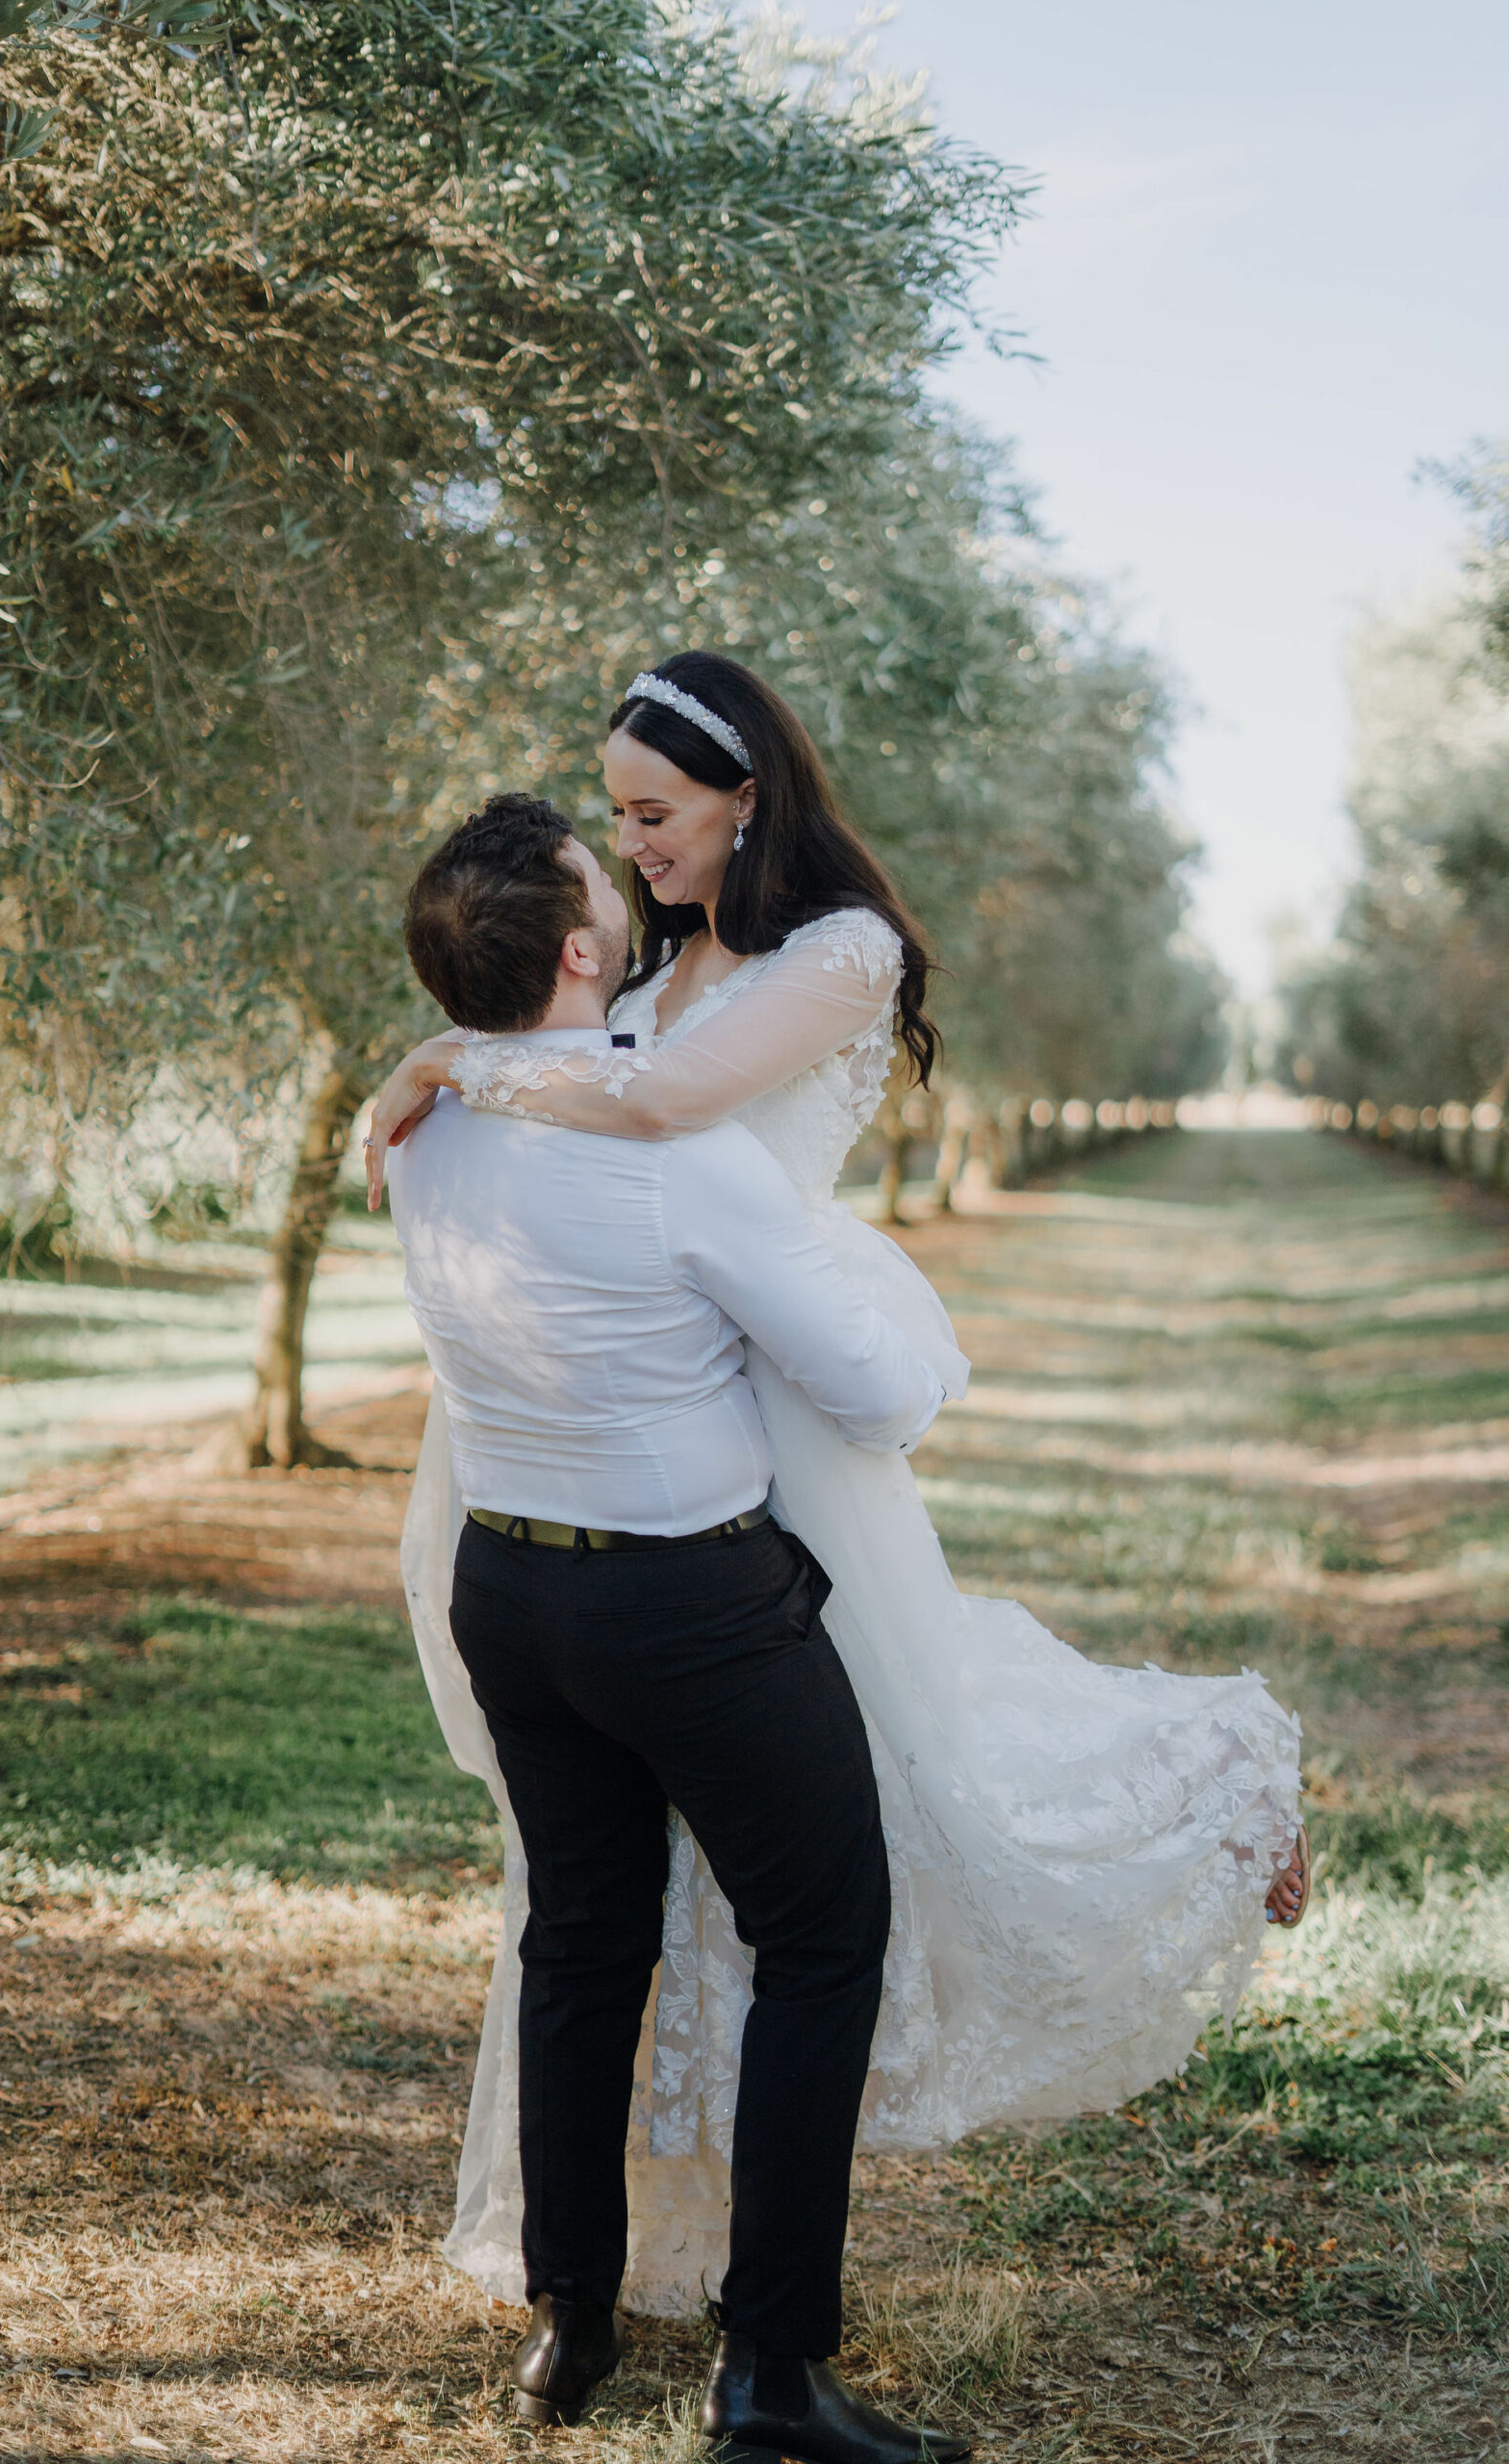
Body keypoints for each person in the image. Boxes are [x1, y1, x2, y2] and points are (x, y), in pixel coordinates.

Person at [374, 653, 1307, 2335]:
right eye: (619, 822)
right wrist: (460, 1055)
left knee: (900, 1764)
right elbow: (596, 1071)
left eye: (659, 811)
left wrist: (440, 1065)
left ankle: (1209, 1803)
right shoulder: (643, 962)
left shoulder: (840, 951)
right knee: (622, 1895)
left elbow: (651, 1103)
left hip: (764, 1417)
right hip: (602, 1421)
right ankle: (634, 2277)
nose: (638, 841)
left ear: (749, 794)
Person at [384, 791, 967, 2462]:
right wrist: (924, 1335)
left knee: (580, 1941)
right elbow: (872, 1395)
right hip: (689, 1606)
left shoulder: (427, 1131)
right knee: (823, 1934)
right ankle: (772, 2375)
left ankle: (572, 2316)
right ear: (583, 950)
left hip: (513, 1591)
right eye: (602, 879)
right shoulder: (675, 1157)